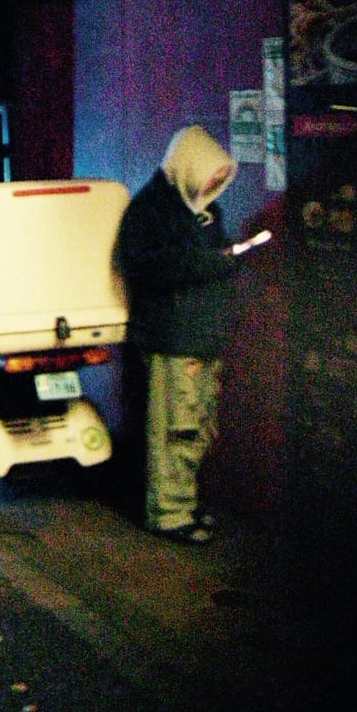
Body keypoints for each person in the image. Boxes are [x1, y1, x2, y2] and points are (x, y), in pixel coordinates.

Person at [115, 125, 241, 545]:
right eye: (209, 177)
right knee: (175, 429)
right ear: (188, 166)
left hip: (201, 335)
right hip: (172, 338)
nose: (213, 187)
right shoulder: (147, 211)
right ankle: (169, 513)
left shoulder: (201, 206)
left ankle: (183, 503)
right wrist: (206, 262)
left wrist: (223, 259)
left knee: (198, 426)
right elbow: (142, 265)